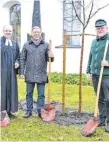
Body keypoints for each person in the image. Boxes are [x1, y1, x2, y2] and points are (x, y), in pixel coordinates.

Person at [20, 26, 54, 118]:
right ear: (31, 33)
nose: (36, 33)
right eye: (34, 32)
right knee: (29, 94)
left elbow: (49, 59)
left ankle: (40, 111)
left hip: (41, 73)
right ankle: (29, 111)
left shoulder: (46, 45)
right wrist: (22, 72)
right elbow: (22, 59)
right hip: (30, 73)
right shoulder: (26, 44)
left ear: (40, 33)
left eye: (38, 32)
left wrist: (51, 55)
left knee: (41, 94)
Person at [86, 19, 109, 133]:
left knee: (108, 99)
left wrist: (108, 63)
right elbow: (90, 57)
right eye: (98, 28)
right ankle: (102, 118)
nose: (100, 30)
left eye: (102, 28)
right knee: (99, 98)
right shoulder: (94, 42)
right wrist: (88, 71)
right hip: (95, 73)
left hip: (106, 75)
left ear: (106, 28)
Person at [1, 25, 20, 118]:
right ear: (3, 31)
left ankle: (9, 111)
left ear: (12, 32)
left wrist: (17, 62)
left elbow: (18, 56)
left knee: (11, 90)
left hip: (11, 72)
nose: (8, 32)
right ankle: (2, 112)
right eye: (6, 30)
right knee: (3, 90)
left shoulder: (15, 44)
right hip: (2, 72)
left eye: (10, 31)